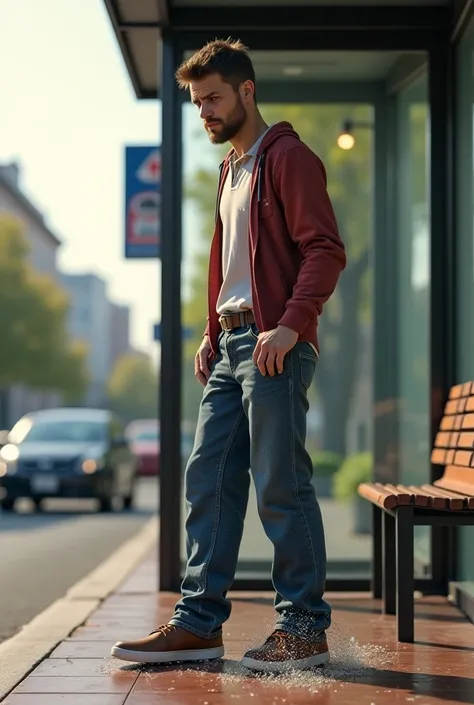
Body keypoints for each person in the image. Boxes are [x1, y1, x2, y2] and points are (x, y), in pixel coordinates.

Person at [112, 38, 346, 673]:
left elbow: (325, 249)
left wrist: (292, 327)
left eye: (213, 98)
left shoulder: (289, 158)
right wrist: (215, 334)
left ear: (247, 91)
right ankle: (198, 623)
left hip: (274, 345)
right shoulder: (232, 169)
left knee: (279, 484)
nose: (205, 112)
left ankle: (303, 627)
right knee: (207, 479)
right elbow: (232, 264)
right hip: (231, 343)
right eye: (196, 103)